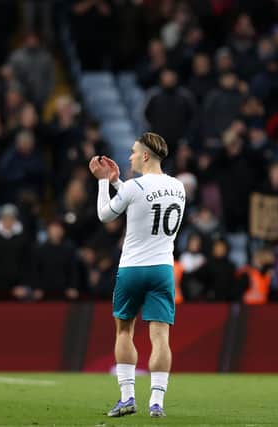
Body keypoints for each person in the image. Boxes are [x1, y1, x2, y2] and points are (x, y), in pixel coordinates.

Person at [89, 132, 186, 418]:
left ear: (145, 155)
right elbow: (144, 201)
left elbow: (106, 215)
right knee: (161, 337)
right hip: (162, 269)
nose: (129, 156)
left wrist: (104, 183)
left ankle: (127, 397)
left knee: (124, 330)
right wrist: (120, 182)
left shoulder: (133, 187)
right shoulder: (179, 187)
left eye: (133, 152)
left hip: (132, 269)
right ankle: (157, 401)